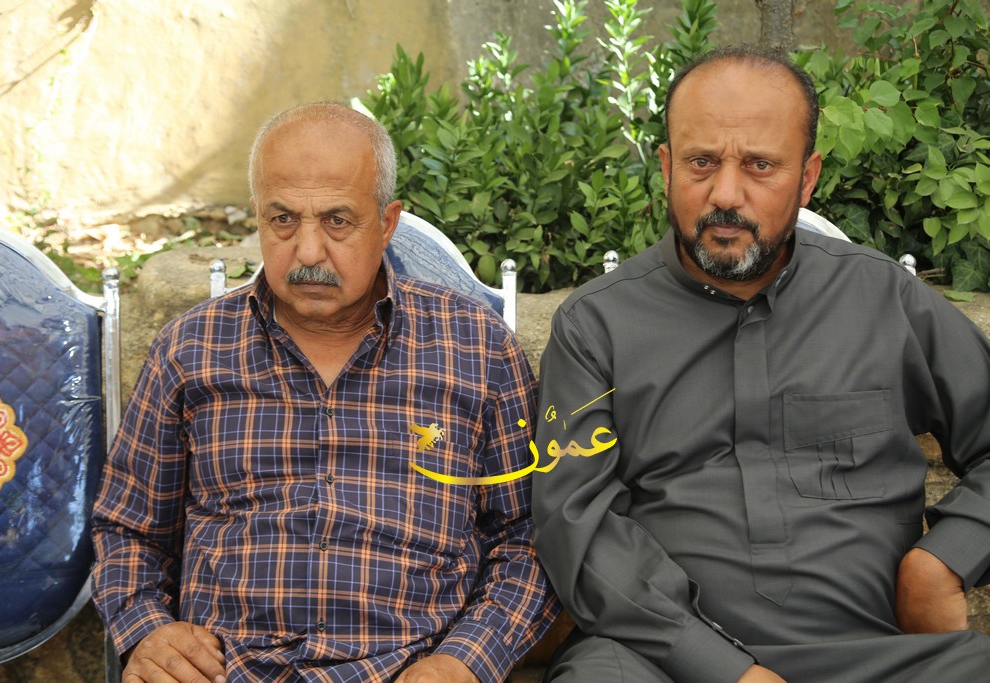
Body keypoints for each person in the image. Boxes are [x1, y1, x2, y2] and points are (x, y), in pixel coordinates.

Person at [532, 45, 990, 683]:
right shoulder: (596, 327)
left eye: (760, 165)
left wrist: (943, 559)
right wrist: (726, 669)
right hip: (660, 661)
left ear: (807, 178)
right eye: (701, 162)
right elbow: (577, 528)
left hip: (874, 657)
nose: (725, 194)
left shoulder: (885, 302)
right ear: (665, 167)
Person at [91, 102, 558, 683]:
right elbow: (128, 529)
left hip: (405, 669)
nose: (309, 252)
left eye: (337, 221)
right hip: (227, 670)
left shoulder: (475, 347)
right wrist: (148, 632)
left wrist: (463, 661)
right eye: (283, 220)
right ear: (258, 218)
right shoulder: (192, 348)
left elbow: (530, 536)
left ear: (387, 223)